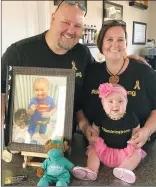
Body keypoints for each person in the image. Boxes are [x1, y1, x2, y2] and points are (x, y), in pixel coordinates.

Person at [1, 1, 148, 148]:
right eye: (65, 22)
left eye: (77, 26)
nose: (71, 30)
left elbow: (102, 72)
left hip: (64, 141)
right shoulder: (18, 53)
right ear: (52, 19)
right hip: (22, 141)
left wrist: (125, 58)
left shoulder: (82, 53)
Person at [77, 20, 156, 159]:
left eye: (120, 39)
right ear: (101, 44)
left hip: (137, 151)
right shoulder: (91, 73)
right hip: (96, 150)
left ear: (126, 44)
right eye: (109, 39)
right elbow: (78, 106)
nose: (115, 44)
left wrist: (147, 131)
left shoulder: (145, 73)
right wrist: (85, 127)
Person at [73, 83, 147, 183]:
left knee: (136, 154)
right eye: (110, 101)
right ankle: (91, 170)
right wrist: (94, 138)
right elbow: (95, 130)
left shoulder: (130, 116)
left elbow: (136, 128)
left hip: (125, 151)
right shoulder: (101, 116)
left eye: (120, 101)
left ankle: (125, 169)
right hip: (105, 150)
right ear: (103, 105)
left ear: (126, 102)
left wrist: (134, 137)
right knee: (93, 151)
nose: (115, 104)